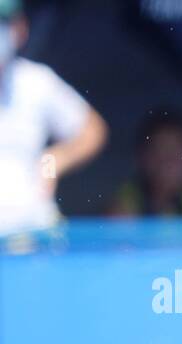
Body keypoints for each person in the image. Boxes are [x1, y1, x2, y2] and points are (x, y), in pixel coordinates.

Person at [0, 0, 108, 235]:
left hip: (32, 233)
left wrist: (52, 162)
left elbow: (92, 130)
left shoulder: (36, 82)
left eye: (2, 23)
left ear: (20, 29)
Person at [108, 109, 182, 218]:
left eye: (177, 153)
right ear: (143, 157)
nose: (169, 162)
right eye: (161, 151)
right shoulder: (126, 204)